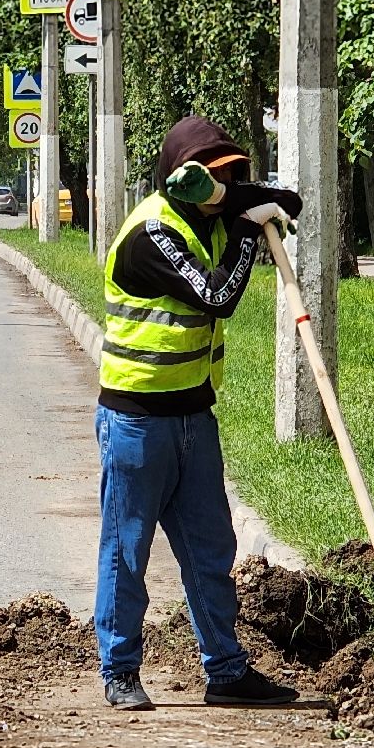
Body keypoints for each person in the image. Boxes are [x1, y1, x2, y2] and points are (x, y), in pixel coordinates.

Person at [95, 116, 303, 712]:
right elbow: (217, 296)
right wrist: (244, 231)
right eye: (215, 178)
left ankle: (226, 671)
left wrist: (247, 201)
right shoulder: (150, 235)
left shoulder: (206, 212)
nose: (227, 187)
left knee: (212, 548)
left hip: (194, 416)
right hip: (137, 420)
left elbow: (288, 200)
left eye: (231, 175)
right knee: (126, 549)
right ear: (180, 180)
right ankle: (121, 670)